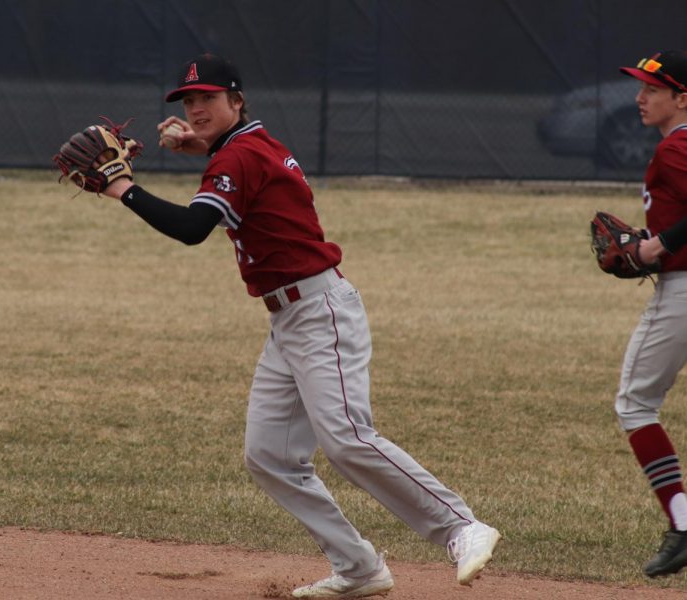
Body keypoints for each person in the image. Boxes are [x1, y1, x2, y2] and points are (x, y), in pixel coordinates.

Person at [100, 52, 500, 597]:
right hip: (290, 320)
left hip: (320, 313)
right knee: (270, 456)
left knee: (347, 439)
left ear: (237, 102)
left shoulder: (238, 156)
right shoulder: (250, 145)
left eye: (208, 99)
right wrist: (206, 145)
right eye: (189, 100)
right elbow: (244, 164)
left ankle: (461, 526)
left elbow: (193, 228)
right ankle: (359, 567)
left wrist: (122, 187)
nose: (196, 108)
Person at [615, 49, 687, 578]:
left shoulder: (676, 147)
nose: (640, 97)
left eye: (652, 89)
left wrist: (656, 245)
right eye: (640, 86)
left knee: (635, 403)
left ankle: (683, 525)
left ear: (681, 98)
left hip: (682, 291)